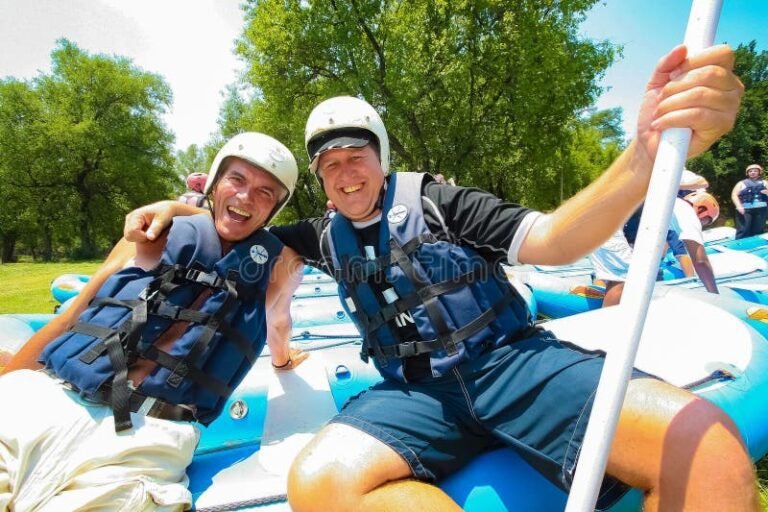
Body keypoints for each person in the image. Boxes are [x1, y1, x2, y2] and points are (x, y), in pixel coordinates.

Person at [124, 45, 754, 511]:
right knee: (319, 481)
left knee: (706, 447)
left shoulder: (441, 203)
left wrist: (643, 155)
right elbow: (239, 223)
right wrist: (178, 207)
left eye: (356, 158)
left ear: (381, 158)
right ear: (319, 178)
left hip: (511, 364)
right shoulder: (314, 237)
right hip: (416, 394)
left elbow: (554, 239)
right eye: (330, 166)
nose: (345, 176)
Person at [0, 132, 309, 511]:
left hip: (147, 439)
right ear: (213, 184)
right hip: (51, 399)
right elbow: (73, 316)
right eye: (237, 180)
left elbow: (278, 323)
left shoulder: (279, 268)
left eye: (265, 192)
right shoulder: (148, 235)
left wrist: (283, 359)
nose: (247, 197)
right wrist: (10, 381)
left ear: (274, 209)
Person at [591, 191, 721, 307]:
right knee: (622, 282)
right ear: (701, 210)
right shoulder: (687, 212)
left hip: (602, 218)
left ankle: (604, 304)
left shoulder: (672, 207)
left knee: (623, 278)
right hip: (611, 224)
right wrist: (714, 294)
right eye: (705, 222)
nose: (702, 225)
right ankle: (608, 325)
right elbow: (700, 261)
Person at [731, 163, 768, 239]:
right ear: (747, 173)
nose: (753, 172)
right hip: (745, 210)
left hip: (761, 209)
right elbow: (734, 195)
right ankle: (740, 243)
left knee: (758, 229)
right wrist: (738, 206)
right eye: (750, 171)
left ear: (759, 172)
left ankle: (756, 244)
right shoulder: (741, 183)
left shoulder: (765, 182)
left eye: (755, 171)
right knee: (744, 229)